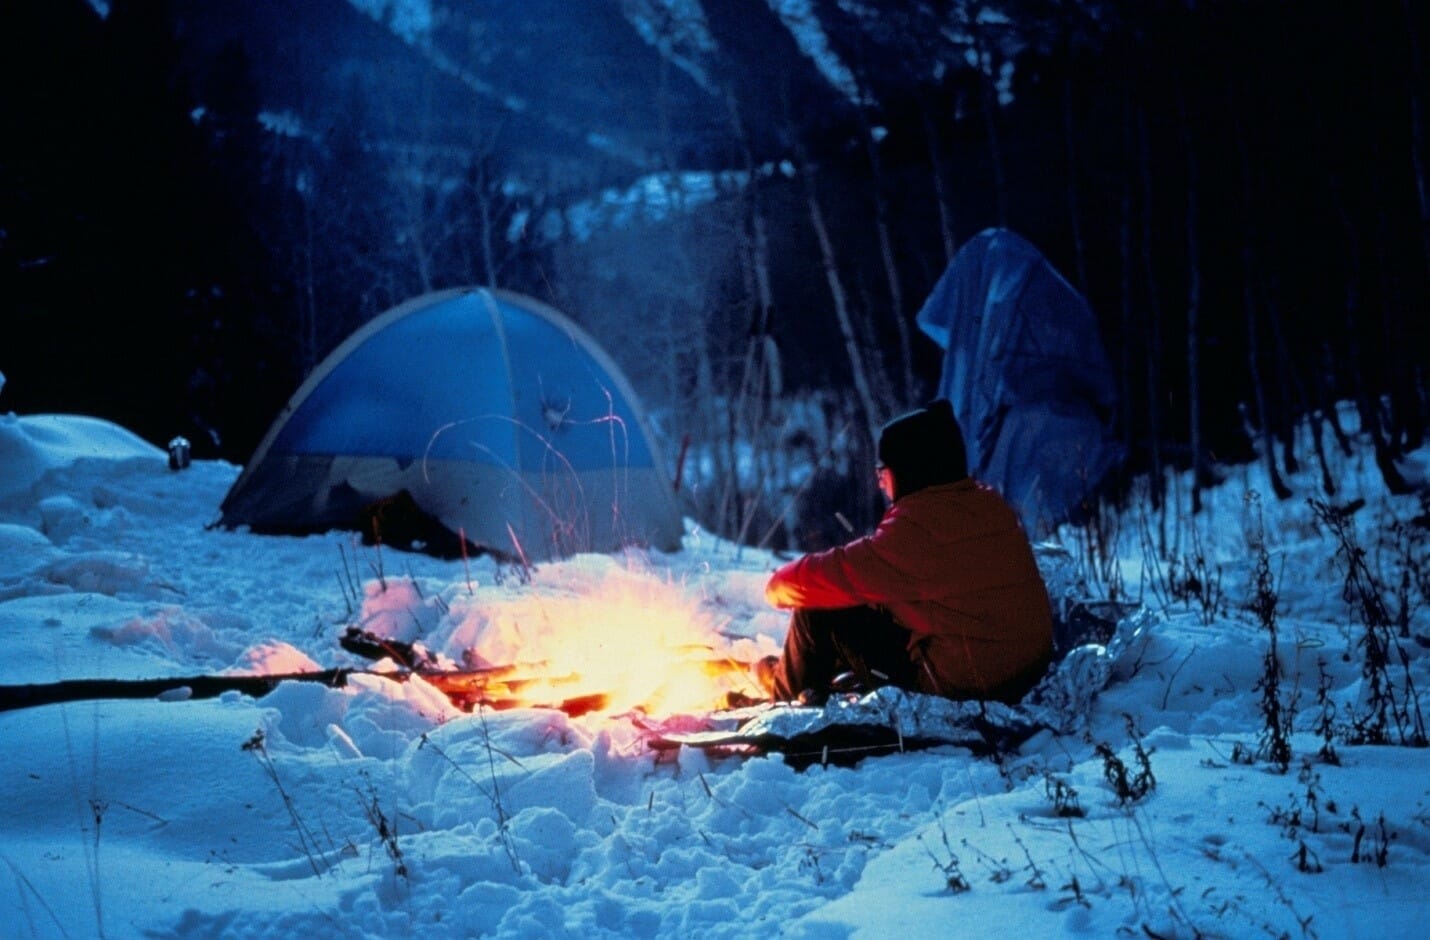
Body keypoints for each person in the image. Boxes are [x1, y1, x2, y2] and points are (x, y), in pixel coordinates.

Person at [757, 399, 1053, 705]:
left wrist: (774, 586)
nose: (881, 482)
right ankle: (801, 674)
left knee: (817, 609)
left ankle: (781, 706)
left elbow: (831, 574)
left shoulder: (919, 528)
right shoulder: (988, 505)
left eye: (883, 471)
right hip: (1022, 670)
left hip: (962, 685)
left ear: (908, 470)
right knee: (879, 605)